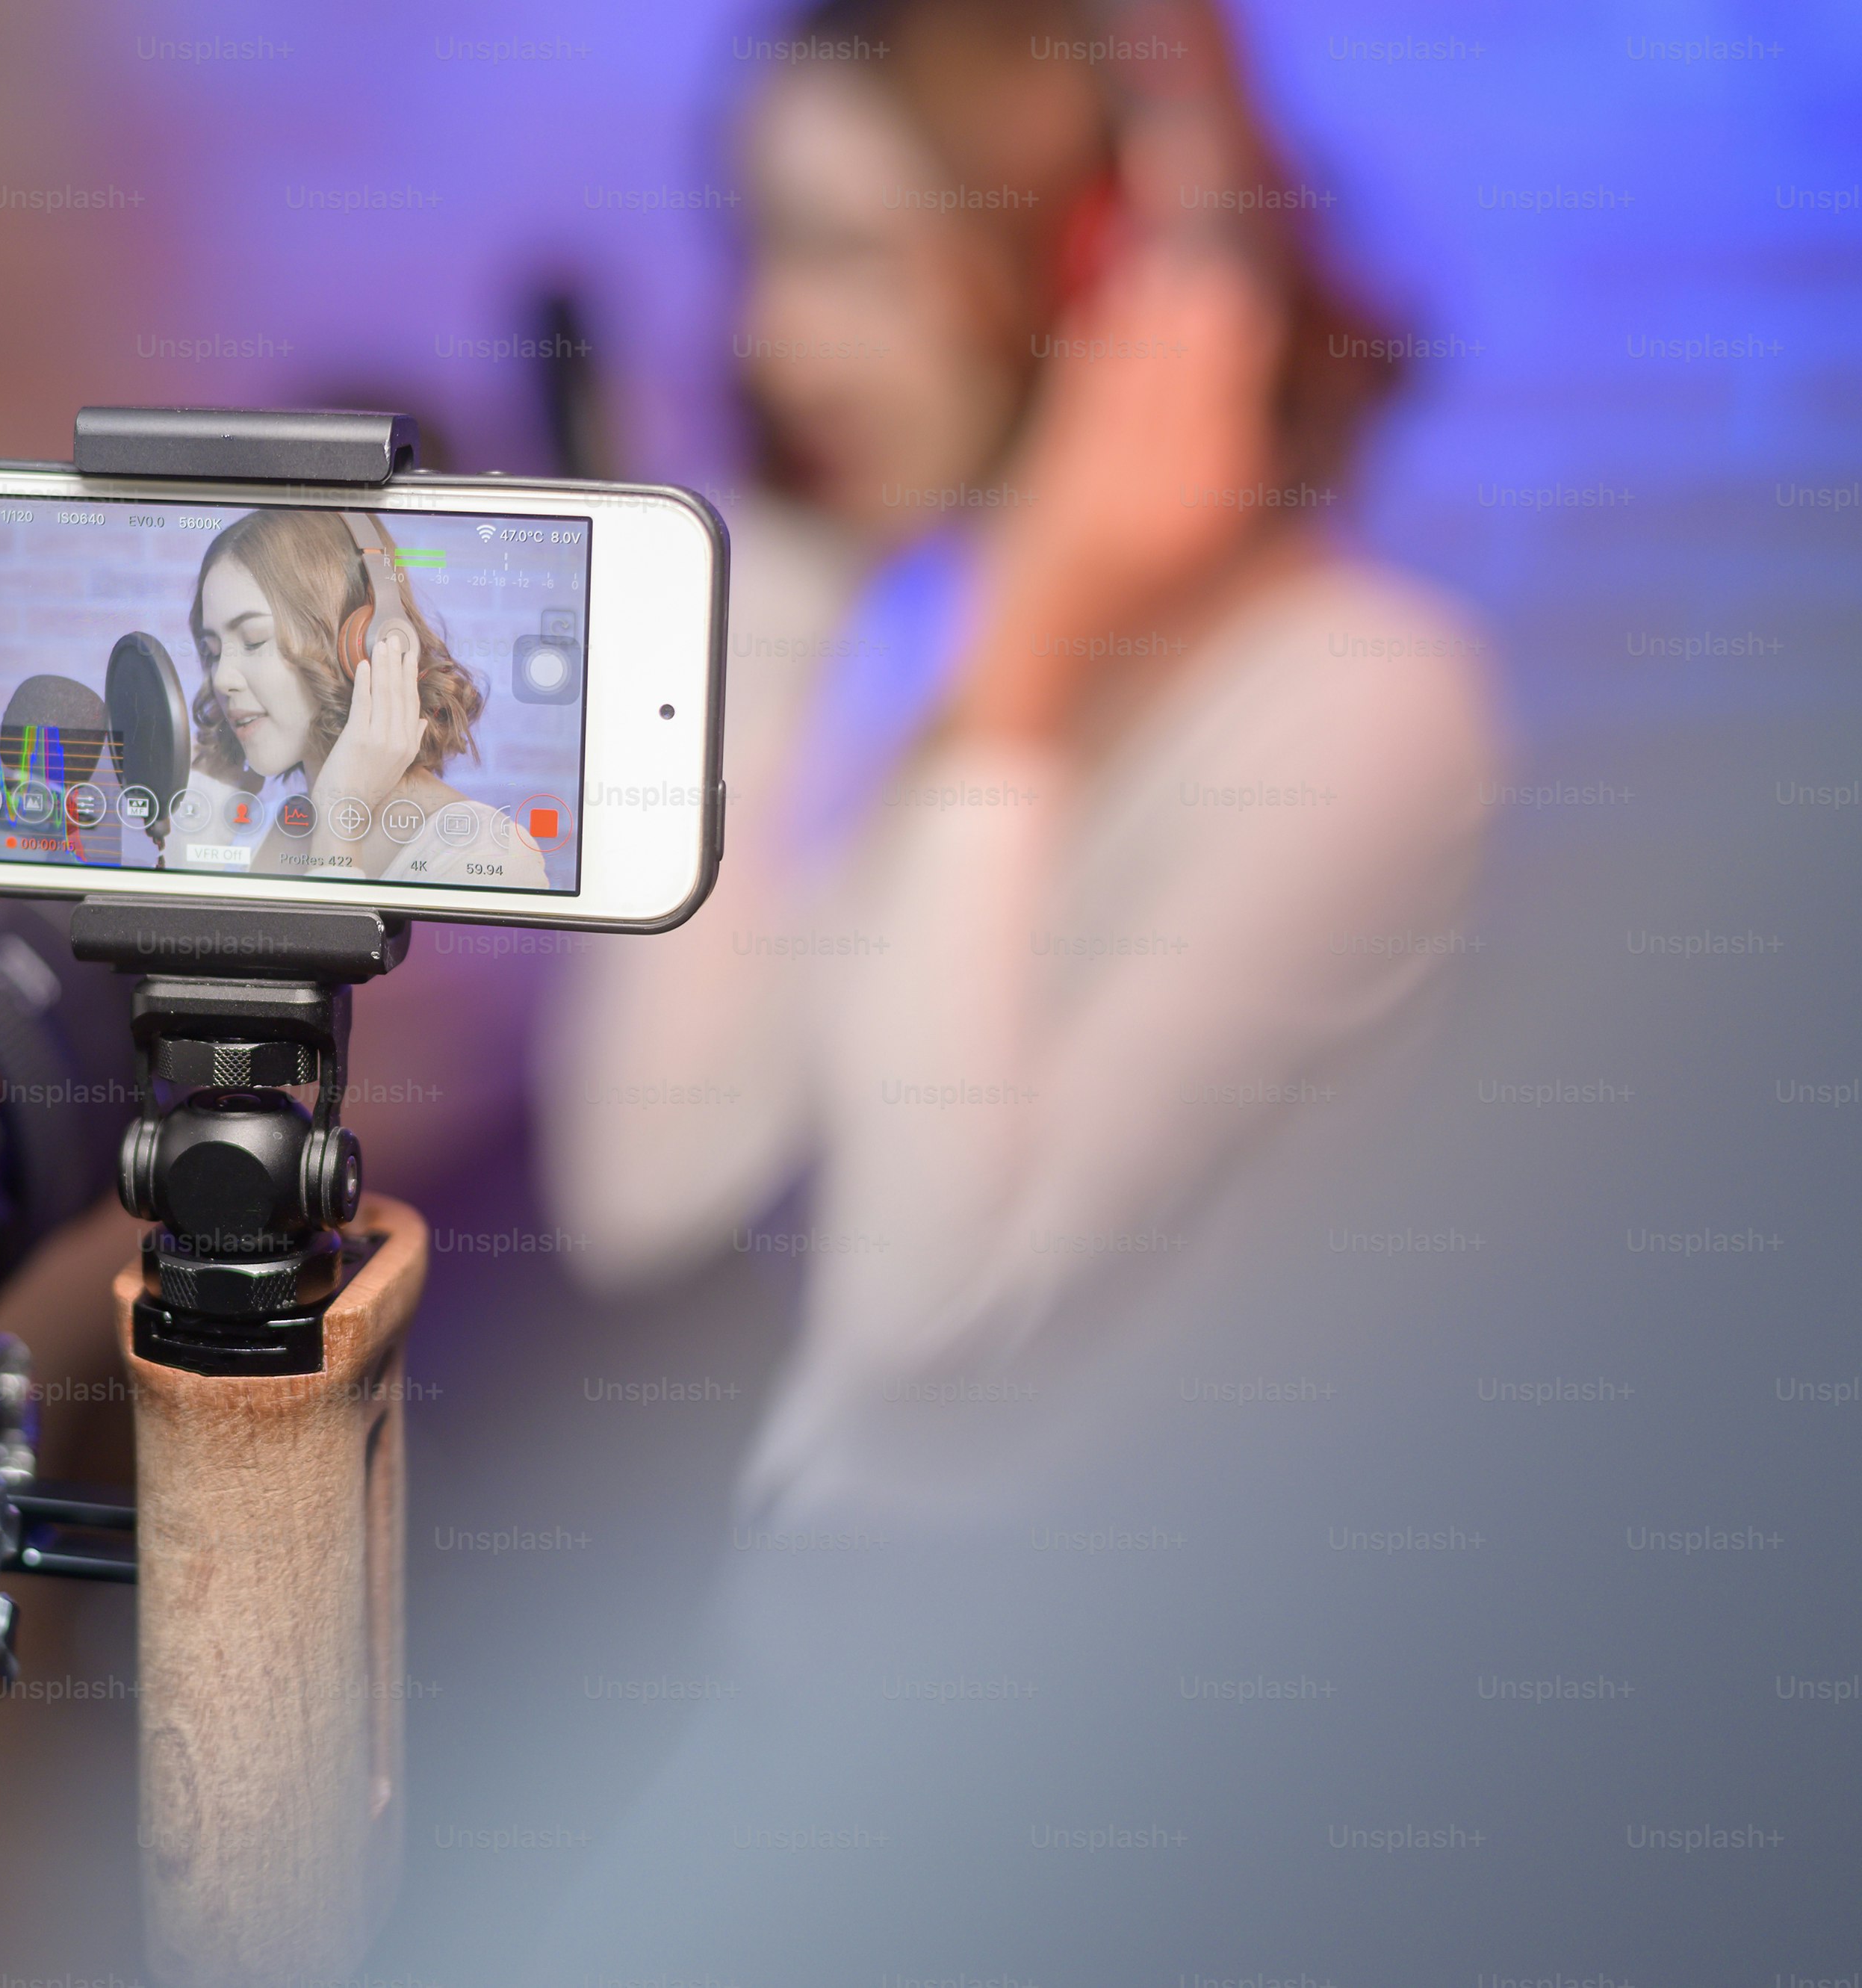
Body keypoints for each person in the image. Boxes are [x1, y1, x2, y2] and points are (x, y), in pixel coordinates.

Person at [537, 0, 1499, 1517]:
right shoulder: (939, 656)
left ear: (1105, 269)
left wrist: (1020, 676)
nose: (763, 338)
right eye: (762, 247)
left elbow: (919, 1337)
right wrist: (781, 567)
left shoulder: (1365, 710)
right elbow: (644, 1191)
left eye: (845, 252)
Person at [182, 507, 551, 888]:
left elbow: (330, 949)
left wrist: (338, 831)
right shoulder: (256, 831)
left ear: (364, 643)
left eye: (254, 640)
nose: (221, 679)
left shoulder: (487, 854)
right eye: (212, 651)